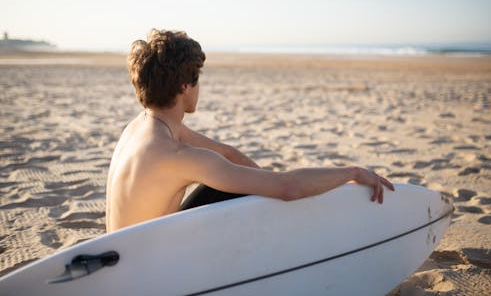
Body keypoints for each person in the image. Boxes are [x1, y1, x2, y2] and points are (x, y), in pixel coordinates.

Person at [105, 29, 395, 232]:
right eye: (198, 80)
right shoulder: (177, 154)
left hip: (123, 252)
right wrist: (353, 172)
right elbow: (289, 188)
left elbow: (228, 153)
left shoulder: (142, 128)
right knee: (239, 189)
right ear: (185, 86)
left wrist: (264, 180)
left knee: (235, 181)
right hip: (148, 267)